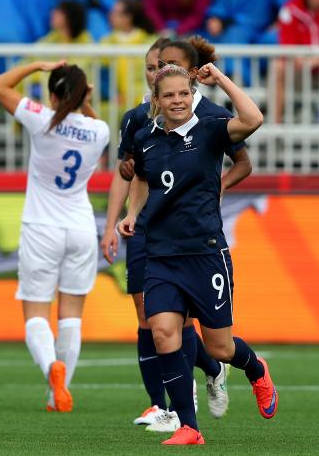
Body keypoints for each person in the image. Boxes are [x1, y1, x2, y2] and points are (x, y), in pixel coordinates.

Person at [118, 64, 277, 445]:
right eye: (169, 95)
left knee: (218, 347)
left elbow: (253, 118)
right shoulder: (145, 137)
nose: (177, 100)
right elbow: (141, 178)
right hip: (160, 254)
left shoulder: (210, 128)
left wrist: (220, 80)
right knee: (163, 332)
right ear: (156, 100)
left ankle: (256, 369)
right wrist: (132, 213)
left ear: (193, 96)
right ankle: (190, 427)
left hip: (205, 254)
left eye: (184, 94)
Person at [101, 36, 252, 432]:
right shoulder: (138, 123)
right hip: (154, 237)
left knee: (203, 335)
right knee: (155, 321)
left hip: (199, 243)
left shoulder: (213, 120)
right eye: (154, 66)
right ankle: (169, 411)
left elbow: (244, 159)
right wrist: (119, 219)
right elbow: (135, 176)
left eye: (168, 65)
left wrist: (213, 188)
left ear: (190, 74)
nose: (159, 70)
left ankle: (216, 369)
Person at [0, 60, 109, 411]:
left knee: (37, 313)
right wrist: (83, 99)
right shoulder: (98, 130)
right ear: (82, 94)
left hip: (42, 227)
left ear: (54, 96)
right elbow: (90, 119)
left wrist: (37, 66)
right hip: (81, 228)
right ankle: (60, 393)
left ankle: (50, 368)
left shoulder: (41, 118)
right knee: (71, 314)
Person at [274, 0, 319, 123]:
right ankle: (275, 129)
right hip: (299, 70)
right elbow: (287, 46)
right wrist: (299, 58)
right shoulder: (290, 9)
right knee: (278, 66)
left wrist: (315, 60)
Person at [100, 0, 156, 106]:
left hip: (145, 102)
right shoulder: (106, 42)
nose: (111, 16)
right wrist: (111, 95)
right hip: (116, 104)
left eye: (116, 13)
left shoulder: (150, 41)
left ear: (128, 17)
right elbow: (103, 75)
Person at [142, 0, 211, 37]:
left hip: (190, 30)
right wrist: (161, 29)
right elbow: (150, 8)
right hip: (159, 30)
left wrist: (178, 31)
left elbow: (198, 14)